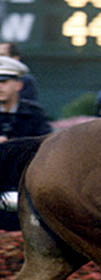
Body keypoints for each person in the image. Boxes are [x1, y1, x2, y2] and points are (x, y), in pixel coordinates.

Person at [0, 56, 52, 230]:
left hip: (26, 187)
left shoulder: (34, 114)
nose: (0, 87)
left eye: (5, 81)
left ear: (18, 85)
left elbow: (48, 149)